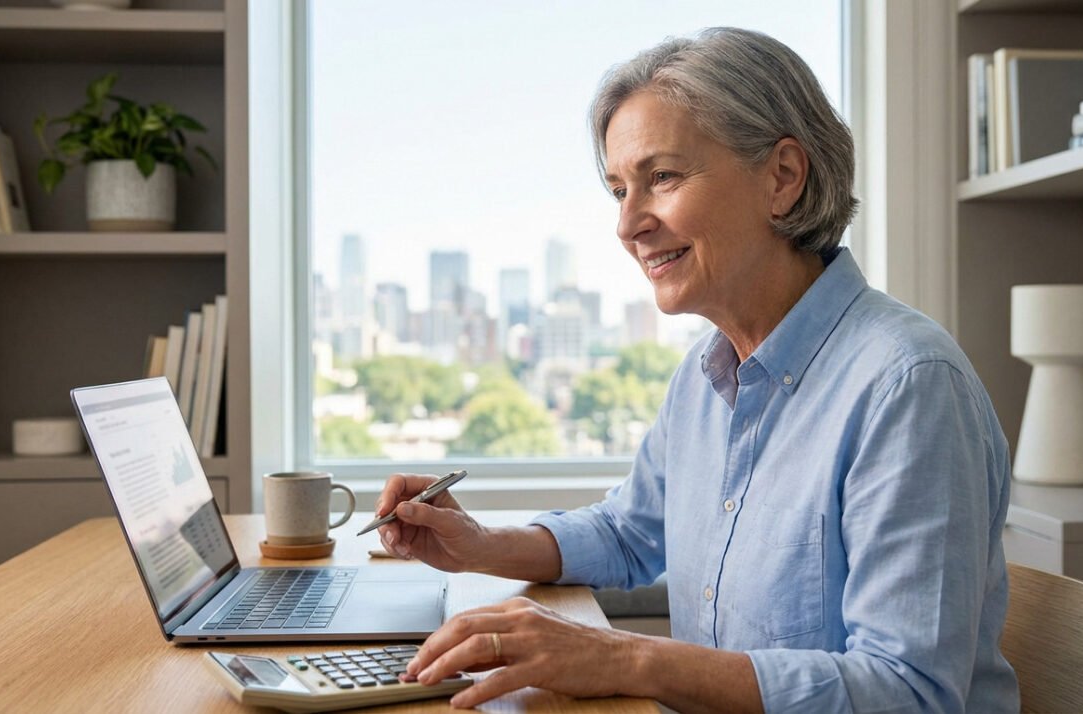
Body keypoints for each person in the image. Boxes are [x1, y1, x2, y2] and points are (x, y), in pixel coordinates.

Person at [373, 27, 1020, 713]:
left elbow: (910, 693)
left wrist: (624, 658)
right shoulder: (704, 377)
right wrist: (478, 544)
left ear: (782, 178)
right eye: (619, 189)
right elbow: (630, 531)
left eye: (661, 178)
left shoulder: (908, 387)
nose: (628, 224)